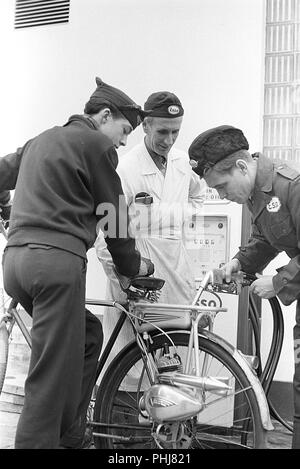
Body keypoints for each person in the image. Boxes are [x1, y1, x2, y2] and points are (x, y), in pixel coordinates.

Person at [0, 77, 154, 449]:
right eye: (124, 130)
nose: (122, 141)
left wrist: (7, 214)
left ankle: (70, 436)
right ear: (104, 116)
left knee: (87, 336)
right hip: (56, 268)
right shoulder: (96, 146)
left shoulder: (40, 141)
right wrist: (133, 267)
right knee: (50, 373)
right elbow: (113, 216)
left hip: (16, 265)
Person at [188, 124, 300, 449]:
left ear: (240, 166)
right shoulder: (259, 194)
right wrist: (239, 263)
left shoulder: (291, 185)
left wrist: (278, 282)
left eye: (222, 188)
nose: (223, 197)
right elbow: (268, 237)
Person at [96, 90, 205, 364]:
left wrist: (171, 215)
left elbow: (198, 197)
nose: (168, 140)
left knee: (175, 376)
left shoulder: (182, 163)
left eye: (175, 132)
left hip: (176, 276)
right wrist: (123, 278)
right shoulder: (124, 168)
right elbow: (104, 235)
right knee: (130, 372)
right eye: (162, 132)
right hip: (139, 280)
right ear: (145, 125)